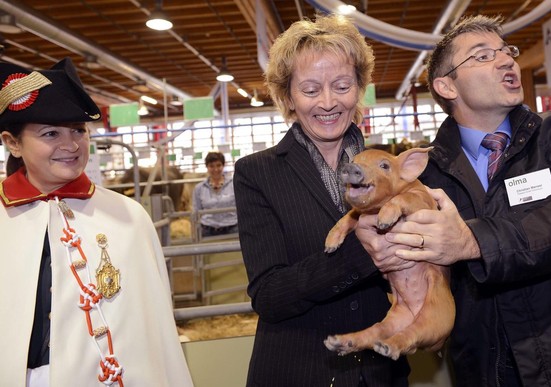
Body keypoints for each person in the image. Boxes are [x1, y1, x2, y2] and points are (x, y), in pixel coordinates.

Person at [355, 15, 551, 387]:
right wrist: (369, 234)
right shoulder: (423, 175)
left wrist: (472, 241)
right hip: (480, 365)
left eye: (506, 51)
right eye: (482, 56)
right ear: (447, 86)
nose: (507, 60)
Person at [233, 14, 410, 387]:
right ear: (288, 97)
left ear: (359, 88)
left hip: (380, 374)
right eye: (311, 90)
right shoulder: (257, 173)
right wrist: (364, 249)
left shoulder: (393, 167)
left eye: (342, 85)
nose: (328, 102)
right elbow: (269, 296)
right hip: (299, 371)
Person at [0, 58, 194, 387]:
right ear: (12, 142)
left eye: (79, 130)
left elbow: (154, 327)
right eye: (51, 133)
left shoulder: (127, 216)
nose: (71, 145)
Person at [192, 151, 238, 237]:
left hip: (232, 229)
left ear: (223, 166)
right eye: (211, 166)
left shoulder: (234, 184)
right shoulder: (199, 188)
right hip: (207, 231)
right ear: (207, 167)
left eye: (218, 165)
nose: (215, 169)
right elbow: (196, 211)